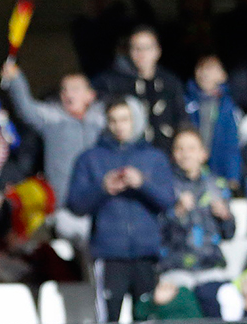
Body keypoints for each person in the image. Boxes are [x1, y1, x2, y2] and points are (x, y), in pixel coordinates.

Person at [67, 97, 176, 323]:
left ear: (136, 120)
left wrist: (142, 183)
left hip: (146, 253)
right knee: (109, 321)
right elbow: (75, 204)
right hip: (109, 253)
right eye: (113, 120)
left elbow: (167, 200)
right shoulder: (90, 158)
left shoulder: (154, 157)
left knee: (147, 319)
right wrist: (102, 188)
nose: (119, 126)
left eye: (125, 119)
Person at [1, 61, 106, 241]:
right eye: (64, 89)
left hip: (97, 206)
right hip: (63, 209)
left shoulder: (103, 121)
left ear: (90, 95)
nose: (68, 94)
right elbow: (26, 109)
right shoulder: (52, 118)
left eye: (75, 89)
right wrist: (16, 79)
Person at [93, 26, 188, 152]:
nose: (142, 53)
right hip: (130, 154)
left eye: (147, 48)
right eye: (136, 48)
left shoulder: (171, 82)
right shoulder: (114, 83)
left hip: (167, 154)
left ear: (157, 51)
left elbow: (181, 118)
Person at [159, 129, 235, 287]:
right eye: (180, 149)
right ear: (173, 155)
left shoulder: (217, 186)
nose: (186, 154)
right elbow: (156, 232)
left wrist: (224, 216)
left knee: (226, 302)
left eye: (191, 148)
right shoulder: (164, 186)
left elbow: (229, 233)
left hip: (211, 266)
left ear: (203, 154)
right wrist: (176, 212)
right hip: (176, 268)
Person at [185, 55, 243, 191]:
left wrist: (233, 176)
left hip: (219, 172)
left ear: (223, 75)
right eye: (200, 68)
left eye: (210, 69)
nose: (205, 73)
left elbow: (232, 145)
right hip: (192, 170)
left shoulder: (228, 106)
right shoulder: (186, 101)